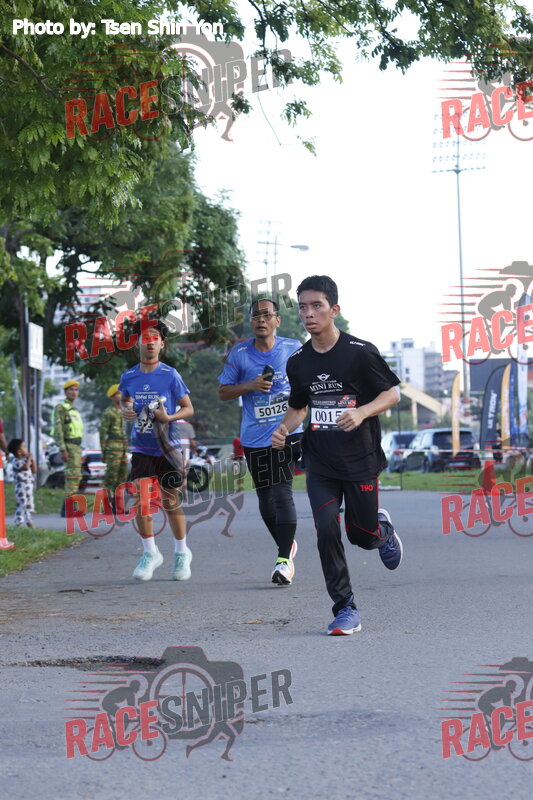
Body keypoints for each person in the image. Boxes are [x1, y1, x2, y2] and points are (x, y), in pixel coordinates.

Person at [272, 275, 403, 635]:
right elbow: (299, 407)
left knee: (360, 535)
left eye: (316, 305)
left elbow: (392, 394)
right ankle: (345, 607)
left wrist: (362, 412)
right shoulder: (298, 361)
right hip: (320, 460)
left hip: (360, 458)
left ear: (334, 309)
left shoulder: (359, 352)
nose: (308, 313)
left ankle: (381, 531)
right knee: (326, 528)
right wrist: (283, 428)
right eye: (303, 307)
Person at [218, 298, 303, 585]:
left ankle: (283, 561)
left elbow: (308, 381)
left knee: (282, 492)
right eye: (256, 316)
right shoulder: (239, 354)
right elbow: (223, 392)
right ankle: (286, 545)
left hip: (286, 431)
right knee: (265, 499)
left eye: (267, 315)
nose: (261, 320)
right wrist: (250, 385)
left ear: (278, 320)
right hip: (254, 437)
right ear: (251, 321)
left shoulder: (293, 348)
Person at [119, 317, 194, 582]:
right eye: (145, 337)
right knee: (141, 502)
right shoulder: (129, 376)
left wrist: (168, 417)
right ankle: (150, 553)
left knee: (170, 501)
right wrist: (127, 410)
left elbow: (188, 408)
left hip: (168, 446)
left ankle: (181, 552)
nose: (150, 342)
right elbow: (124, 400)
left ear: (162, 344)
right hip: (141, 446)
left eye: (155, 338)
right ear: (137, 343)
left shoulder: (170, 375)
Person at [52, 380, 84, 518]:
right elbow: (58, 429)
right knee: (72, 477)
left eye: (76, 390)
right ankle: (68, 508)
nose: (74, 392)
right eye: (71, 389)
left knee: (76, 477)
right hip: (69, 446)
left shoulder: (75, 410)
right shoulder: (62, 407)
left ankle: (69, 507)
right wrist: (62, 449)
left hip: (77, 446)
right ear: (65, 392)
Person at [100, 384, 129, 511]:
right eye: (117, 394)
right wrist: (103, 451)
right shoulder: (108, 412)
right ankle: (107, 506)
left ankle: (119, 506)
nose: (120, 396)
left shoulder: (123, 411)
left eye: (121, 393)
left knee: (122, 478)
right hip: (112, 447)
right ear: (112, 397)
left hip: (123, 448)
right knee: (110, 478)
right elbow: (102, 432)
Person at [7, 438, 36, 528]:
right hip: (21, 486)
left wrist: (32, 460)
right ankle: (18, 522)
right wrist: (29, 458)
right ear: (19, 452)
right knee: (22, 504)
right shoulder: (15, 461)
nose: (26, 449)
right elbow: (25, 468)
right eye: (24, 447)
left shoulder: (25, 459)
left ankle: (29, 521)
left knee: (29, 504)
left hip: (29, 485)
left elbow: (34, 470)